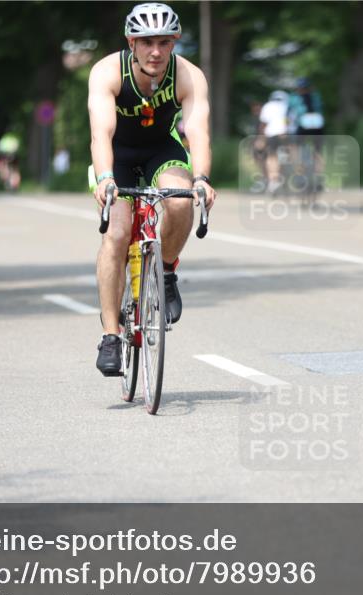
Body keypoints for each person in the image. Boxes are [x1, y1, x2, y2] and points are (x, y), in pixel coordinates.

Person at [88, 2, 216, 376]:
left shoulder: (189, 75)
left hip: (162, 147)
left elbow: (198, 133)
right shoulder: (107, 72)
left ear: (175, 41)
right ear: (132, 42)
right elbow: (101, 133)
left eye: (163, 42)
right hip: (117, 155)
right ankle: (111, 335)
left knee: (180, 204)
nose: (155, 51)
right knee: (116, 232)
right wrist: (105, 177)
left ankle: (166, 270)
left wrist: (202, 179)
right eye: (146, 42)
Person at [287, 77, 325, 191]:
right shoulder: (316, 96)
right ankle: (318, 177)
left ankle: (300, 176)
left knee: (295, 149)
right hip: (317, 125)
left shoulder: (293, 98)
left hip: (303, 125)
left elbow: (288, 115)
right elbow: (320, 109)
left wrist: (287, 128)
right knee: (318, 153)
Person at [258, 90, 289, 194]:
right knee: (286, 157)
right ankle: (283, 179)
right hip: (285, 134)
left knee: (271, 156)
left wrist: (261, 138)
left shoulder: (268, 106)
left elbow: (263, 123)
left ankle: (273, 179)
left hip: (271, 134)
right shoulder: (287, 105)